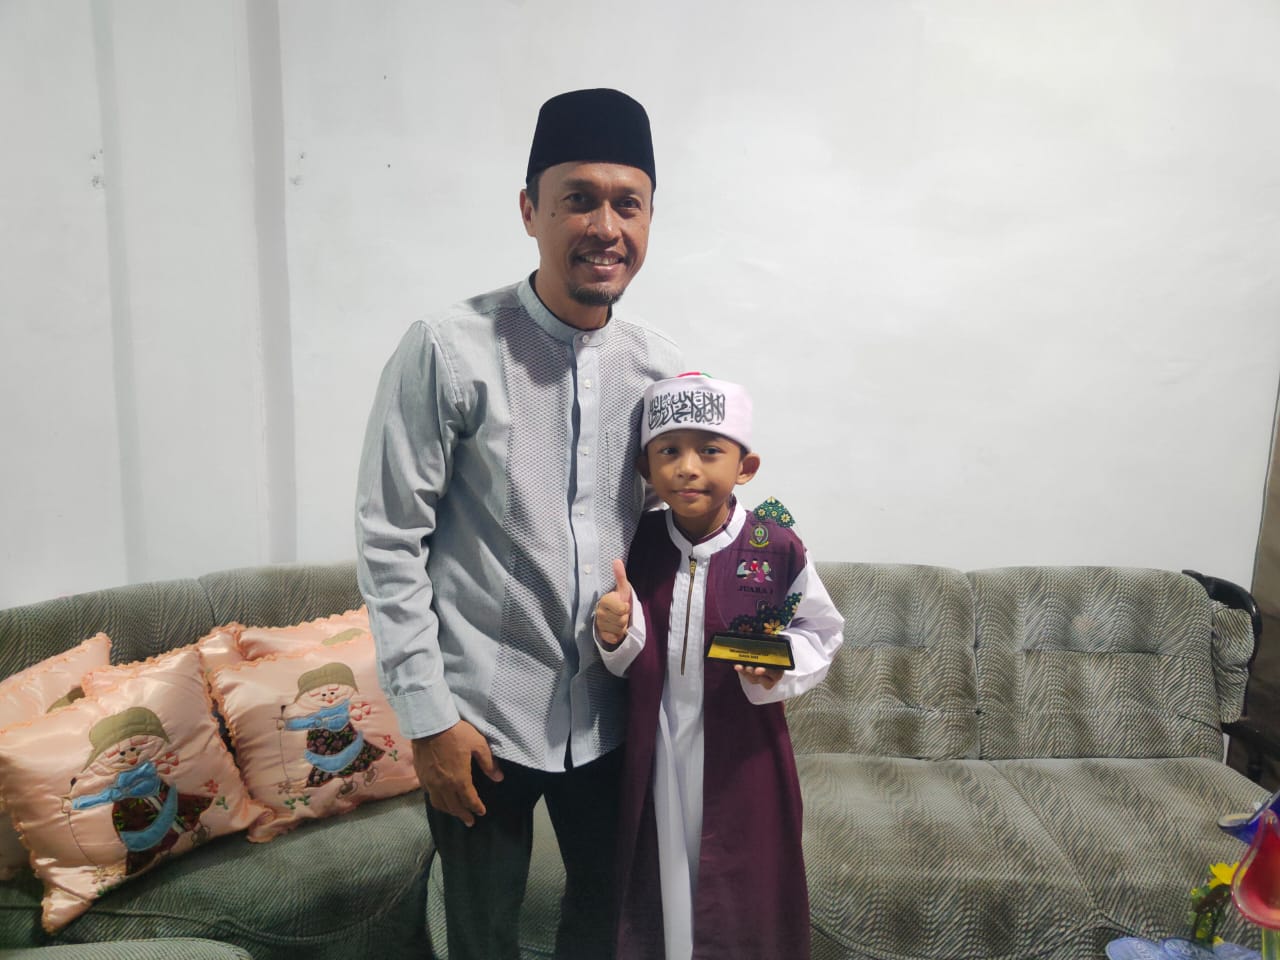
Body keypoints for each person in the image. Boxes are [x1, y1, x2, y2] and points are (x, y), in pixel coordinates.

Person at [354, 87, 682, 960]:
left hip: (609, 720)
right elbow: (389, 541)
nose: (605, 226)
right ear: (530, 210)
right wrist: (428, 718)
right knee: (483, 939)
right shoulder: (447, 349)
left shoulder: (661, 371)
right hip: (480, 725)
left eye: (628, 203)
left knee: (607, 928)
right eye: (579, 199)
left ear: (651, 219)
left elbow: (674, 538)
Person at [594, 373, 845, 960]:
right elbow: (632, 650)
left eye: (709, 451)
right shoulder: (638, 542)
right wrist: (613, 632)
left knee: (741, 886)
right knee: (659, 878)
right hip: (656, 746)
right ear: (645, 468)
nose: (687, 468)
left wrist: (779, 668)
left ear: (745, 467)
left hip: (743, 751)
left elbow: (821, 629)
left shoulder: (776, 546)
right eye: (669, 452)